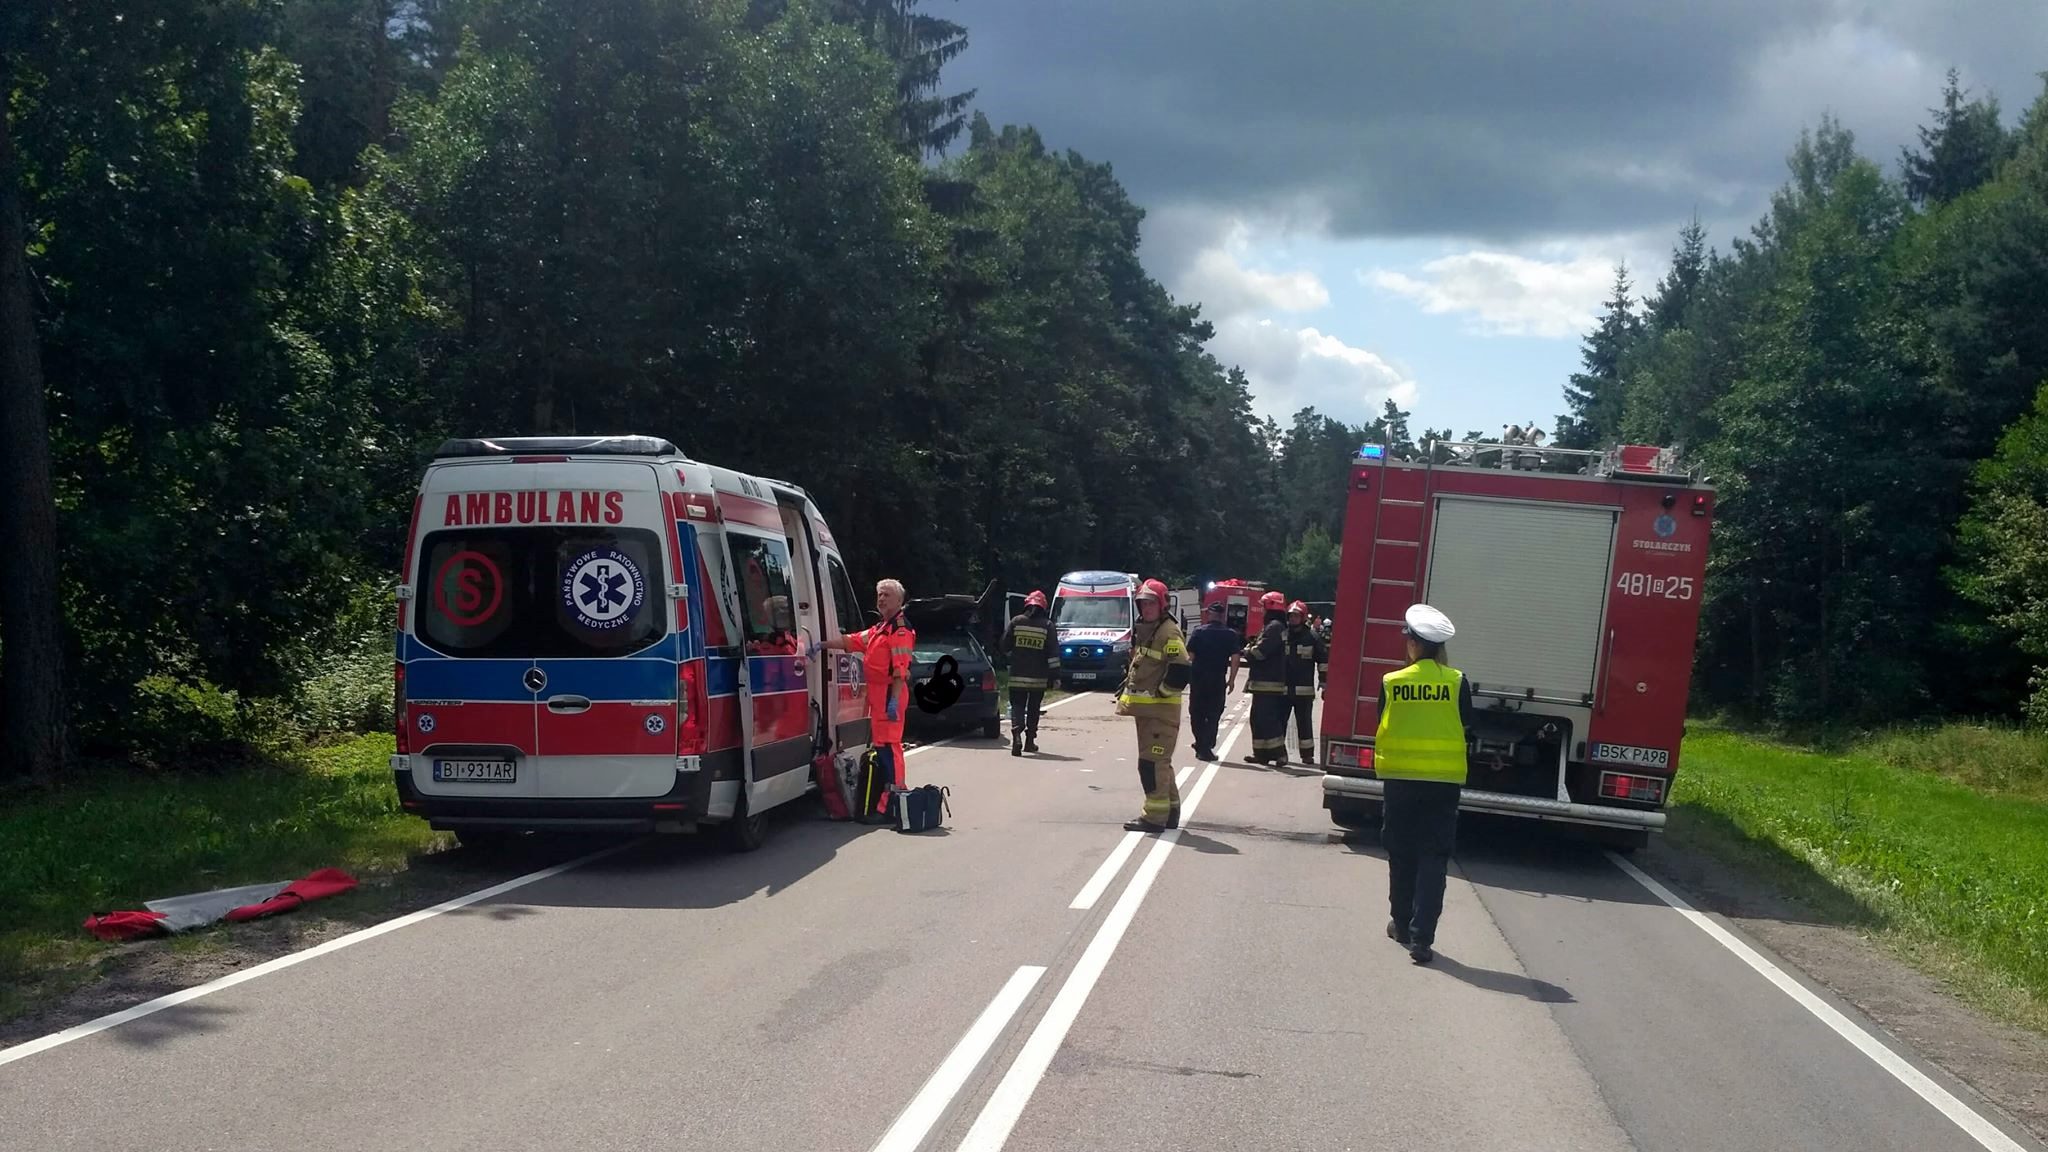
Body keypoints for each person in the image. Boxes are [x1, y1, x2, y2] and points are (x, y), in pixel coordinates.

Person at [1374, 603, 1474, 965]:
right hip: (1442, 783)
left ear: (1413, 644)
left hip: (1399, 781)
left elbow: (1381, 722)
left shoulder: (1392, 682)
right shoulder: (1457, 682)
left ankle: (1400, 924)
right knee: (1434, 857)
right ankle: (1422, 940)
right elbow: (1465, 727)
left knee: (1400, 853)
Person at [818, 578, 917, 814]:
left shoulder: (899, 630)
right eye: (879, 594)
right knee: (883, 746)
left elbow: (900, 670)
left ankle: (895, 799)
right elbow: (852, 641)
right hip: (879, 697)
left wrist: (893, 700)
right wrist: (821, 644)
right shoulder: (880, 628)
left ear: (900, 601)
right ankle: (890, 799)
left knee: (889, 749)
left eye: (887, 595)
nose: (881, 599)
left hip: (888, 697)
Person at [1115, 578, 1192, 832]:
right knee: (1161, 763)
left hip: (1160, 713)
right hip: (1149, 713)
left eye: (1150, 603)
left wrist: (1161, 692)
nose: (1145, 608)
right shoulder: (1150, 630)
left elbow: (1181, 668)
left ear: (1162, 606)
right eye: (1142, 603)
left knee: (1151, 764)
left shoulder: (1167, 632)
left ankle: (1154, 818)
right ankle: (1170, 812)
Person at [1000, 589, 1059, 757]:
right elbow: (1053, 654)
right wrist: (1055, 677)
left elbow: (1004, 645)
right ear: (1043, 608)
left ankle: (1016, 735)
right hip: (1038, 679)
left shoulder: (1016, 621)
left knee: (1017, 706)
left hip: (1017, 676)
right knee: (1033, 709)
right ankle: (1029, 741)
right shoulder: (1048, 626)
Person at [1184, 601, 1241, 762]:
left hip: (1198, 678)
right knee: (1214, 713)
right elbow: (1235, 658)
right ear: (1222, 616)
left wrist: (1186, 677)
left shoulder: (1198, 632)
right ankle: (1205, 745)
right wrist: (1231, 680)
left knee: (1197, 712)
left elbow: (1190, 657)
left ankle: (1202, 743)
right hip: (1217, 679)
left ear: (1209, 614)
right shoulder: (1230, 634)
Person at [1241, 589, 1291, 765]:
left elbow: (1261, 652)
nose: (1262, 610)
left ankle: (1280, 754)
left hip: (1268, 682)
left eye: (1263, 607)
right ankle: (1262, 754)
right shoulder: (1276, 626)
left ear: (1270, 607)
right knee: (1258, 718)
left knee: (1267, 719)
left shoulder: (1274, 627)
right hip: (1266, 681)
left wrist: (1247, 651)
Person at [1282, 600, 1328, 764]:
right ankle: (1280, 754)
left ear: (1302, 617)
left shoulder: (1312, 637)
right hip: (1284, 688)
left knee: (1304, 723)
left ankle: (1307, 755)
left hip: (1304, 690)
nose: (1293, 619)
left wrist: (1324, 684)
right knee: (1280, 722)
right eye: (1291, 616)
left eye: (1296, 616)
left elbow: (1323, 661)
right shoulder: (1283, 634)